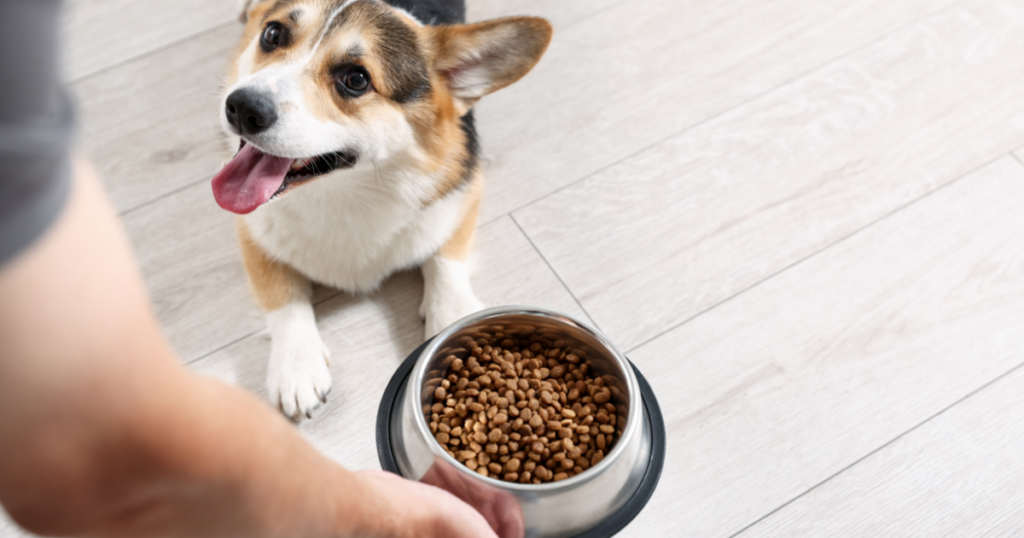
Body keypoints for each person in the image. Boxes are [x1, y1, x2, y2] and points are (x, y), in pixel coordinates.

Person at [0, 1, 497, 536]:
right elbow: (85, 459)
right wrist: (290, 327)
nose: (253, 100)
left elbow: (464, 195)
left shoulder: (441, 140)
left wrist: (447, 277)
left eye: (352, 80)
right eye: (276, 36)